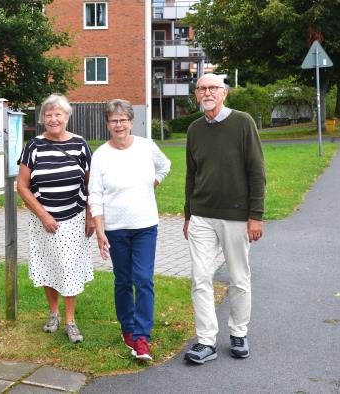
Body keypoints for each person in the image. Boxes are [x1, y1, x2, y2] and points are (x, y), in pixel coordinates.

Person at [182, 73, 266, 364]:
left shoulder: (243, 123)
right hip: (202, 216)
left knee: (239, 277)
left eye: (213, 88)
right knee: (200, 278)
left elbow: (257, 172)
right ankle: (206, 341)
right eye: (202, 88)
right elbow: (191, 175)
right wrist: (187, 214)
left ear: (224, 93)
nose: (207, 93)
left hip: (236, 216)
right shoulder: (194, 129)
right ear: (196, 95)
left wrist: (255, 216)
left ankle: (239, 333)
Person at [88, 99, 171, 361]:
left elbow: (165, 166)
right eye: (114, 120)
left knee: (143, 279)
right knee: (123, 280)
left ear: (131, 122)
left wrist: (152, 185)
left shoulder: (146, 147)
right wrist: (100, 231)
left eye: (123, 119)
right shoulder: (101, 155)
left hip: (145, 226)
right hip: (115, 229)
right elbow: (95, 195)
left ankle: (143, 336)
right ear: (107, 124)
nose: (119, 124)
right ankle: (128, 330)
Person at [17, 93, 95, 343]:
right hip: (44, 220)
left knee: (69, 267)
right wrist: (43, 216)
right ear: (43, 119)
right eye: (48, 115)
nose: (53, 119)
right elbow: (22, 186)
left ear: (67, 117)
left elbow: (91, 184)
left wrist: (90, 217)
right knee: (49, 265)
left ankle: (71, 321)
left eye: (58, 114)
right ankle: (53, 314)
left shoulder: (80, 144)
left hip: (74, 217)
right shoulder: (33, 146)